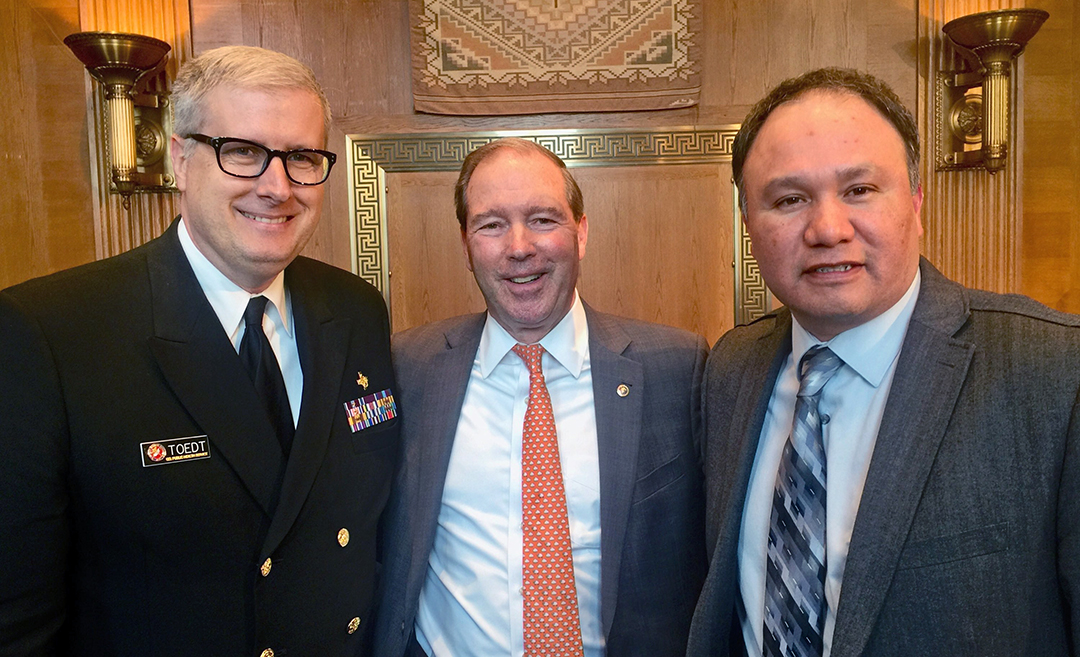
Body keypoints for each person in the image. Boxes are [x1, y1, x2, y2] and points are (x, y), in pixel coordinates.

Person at [0, 46, 399, 656]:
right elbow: (19, 616)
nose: (277, 187)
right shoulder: (49, 333)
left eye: (301, 158)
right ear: (180, 159)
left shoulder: (356, 309)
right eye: (242, 152)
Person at [686, 67, 1080, 657]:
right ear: (749, 226)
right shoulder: (730, 367)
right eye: (789, 200)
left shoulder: (1054, 370)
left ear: (916, 201)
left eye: (859, 190)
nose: (827, 229)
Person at [374, 138, 708, 657]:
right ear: (466, 245)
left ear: (582, 232)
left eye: (543, 219)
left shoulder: (676, 365)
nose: (519, 246)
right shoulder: (406, 366)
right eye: (490, 224)